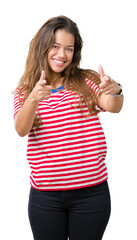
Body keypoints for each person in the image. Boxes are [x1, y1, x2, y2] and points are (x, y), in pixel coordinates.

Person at [14, 15, 123, 240]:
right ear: (42, 47)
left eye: (69, 48)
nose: (62, 54)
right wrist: (33, 99)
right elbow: (21, 129)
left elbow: (112, 106)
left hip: (91, 195)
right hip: (45, 198)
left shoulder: (85, 81)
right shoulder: (26, 91)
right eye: (55, 46)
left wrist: (116, 90)